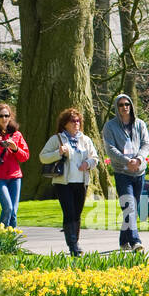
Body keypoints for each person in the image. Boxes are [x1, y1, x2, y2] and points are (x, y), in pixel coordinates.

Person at [38, 107, 99, 256]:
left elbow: (95, 158)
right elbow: (43, 157)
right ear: (65, 123)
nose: (76, 123)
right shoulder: (57, 139)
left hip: (81, 182)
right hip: (63, 183)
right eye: (72, 121)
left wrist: (88, 163)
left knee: (77, 214)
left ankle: (75, 242)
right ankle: (73, 245)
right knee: (69, 212)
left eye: (78, 121)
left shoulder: (85, 140)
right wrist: (58, 152)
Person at [102, 93, 149, 252]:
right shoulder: (110, 126)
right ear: (117, 107)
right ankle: (136, 241)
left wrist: (138, 160)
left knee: (132, 208)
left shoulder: (140, 124)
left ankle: (124, 241)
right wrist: (126, 161)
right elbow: (110, 148)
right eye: (121, 105)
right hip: (122, 172)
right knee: (129, 206)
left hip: (139, 171)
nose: (125, 107)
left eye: (127, 104)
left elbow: (146, 144)